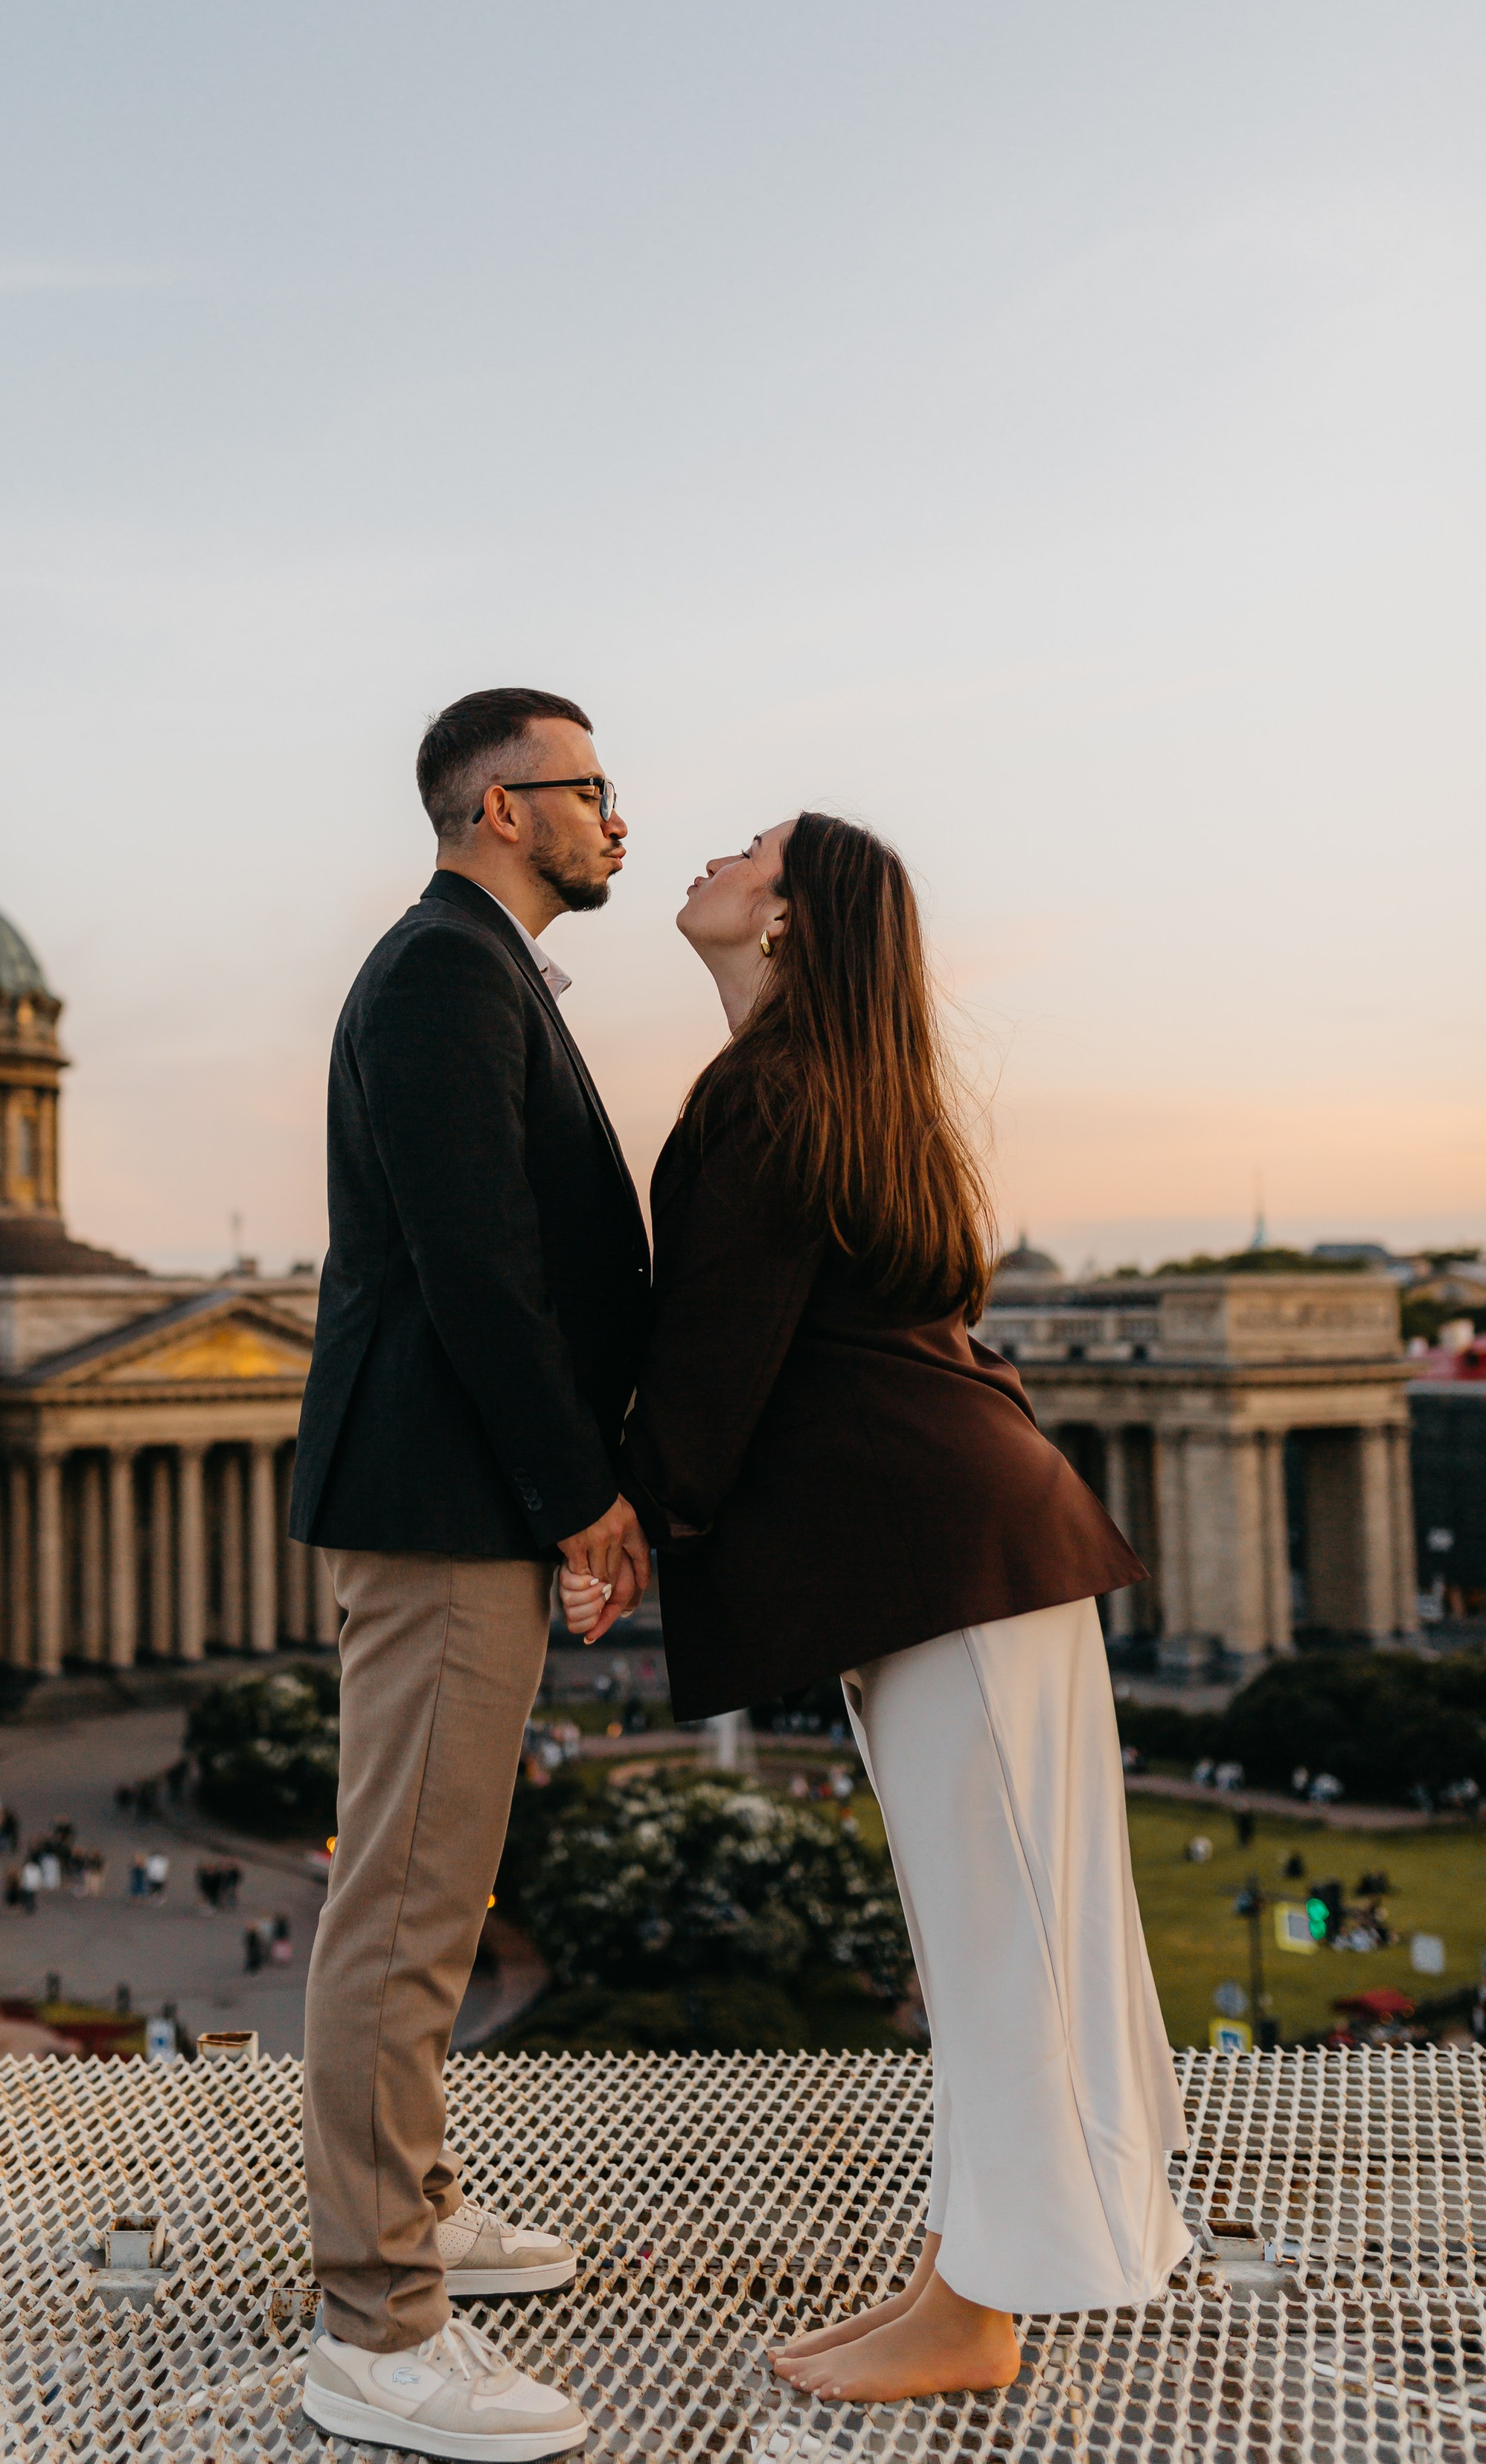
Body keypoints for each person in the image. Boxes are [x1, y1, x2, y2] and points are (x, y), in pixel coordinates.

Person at [562, 812, 1188, 2407]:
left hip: (951, 1560)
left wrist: (626, 1518)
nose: (709, 857)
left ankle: (979, 2313)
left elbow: (713, 1358)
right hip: (963, 1552)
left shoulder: (772, 1097)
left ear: (785, 920)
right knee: (992, 1936)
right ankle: (957, 2280)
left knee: (1003, 1946)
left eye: (749, 849)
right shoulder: (828, 1087)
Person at [293, 687, 652, 2463]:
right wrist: (577, 1494)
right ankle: (375, 2326)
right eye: (590, 787)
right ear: (502, 806)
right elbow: (476, 1263)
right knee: (406, 1907)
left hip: (450, 1493)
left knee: (428, 1886)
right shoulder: (445, 969)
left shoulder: (473, 964)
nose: (616, 817)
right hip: (445, 1497)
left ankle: (414, 2210)